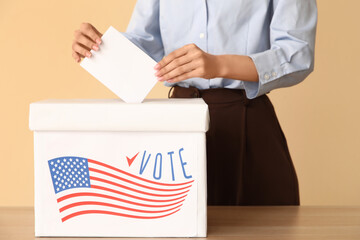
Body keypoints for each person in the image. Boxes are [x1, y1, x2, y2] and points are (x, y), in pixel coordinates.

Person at [71, 0, 318, 206]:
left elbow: (297, 53)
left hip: (247, 122)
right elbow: (146, 42)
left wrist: (220, 65)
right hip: (178, 126)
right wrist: (99, 47)